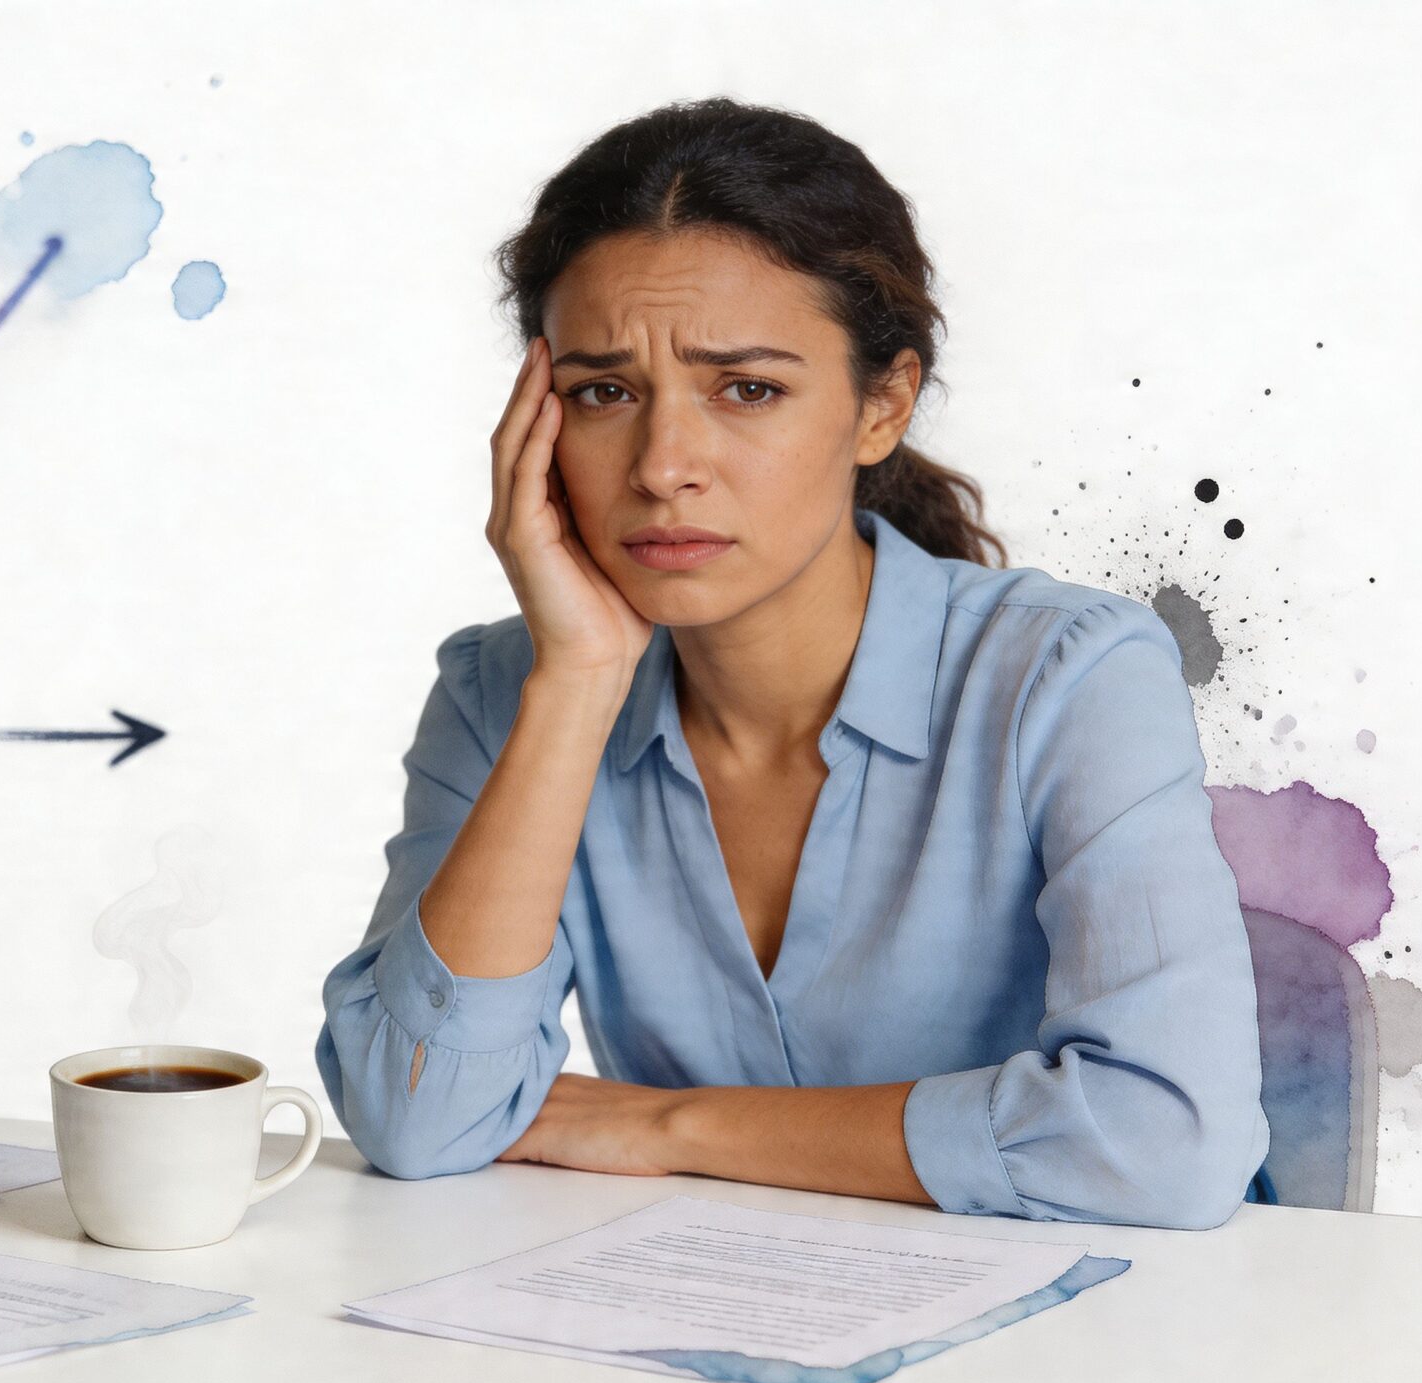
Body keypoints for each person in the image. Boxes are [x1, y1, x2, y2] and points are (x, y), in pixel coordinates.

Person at [313, 97, 1271, 1230]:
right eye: (603, 392)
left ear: (881, 406)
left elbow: (1163, 1146)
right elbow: (418, 1120)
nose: (665, 466)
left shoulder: (1069, 678)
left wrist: (667, 1126)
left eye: (748, 389)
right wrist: (573, 686)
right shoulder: (504, 693)